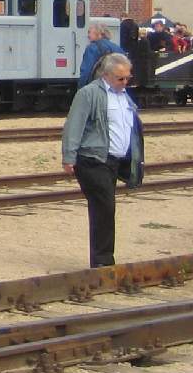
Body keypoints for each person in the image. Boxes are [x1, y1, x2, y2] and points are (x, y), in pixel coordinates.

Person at [61, 53, 144, 268]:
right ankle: (103, 262)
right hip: (92, 159)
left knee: (106, 208)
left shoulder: (124, 96)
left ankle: (103, 260)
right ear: (106, 75)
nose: (125, 82)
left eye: (128, 78)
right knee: (104, 207)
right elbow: (73, 126)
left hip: (114, 161)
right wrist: (69, 157)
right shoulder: (88, 94)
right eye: (120, 78)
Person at [77, 24, 124, 88]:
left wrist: (80, 87)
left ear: (99, 34)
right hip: (116, 85)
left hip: (98, 85)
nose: (88, 36)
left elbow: (86, 71)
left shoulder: (92, 48)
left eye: (90, 32)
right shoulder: (117, 48)